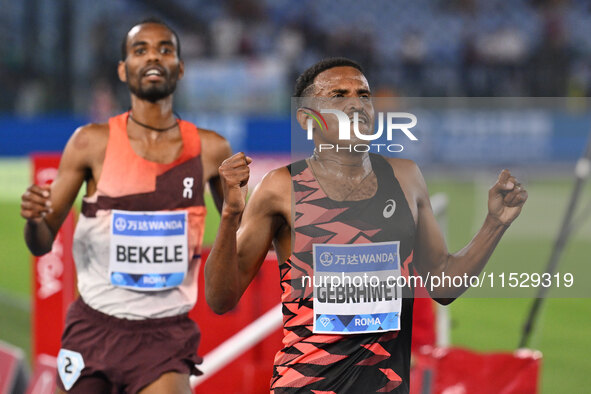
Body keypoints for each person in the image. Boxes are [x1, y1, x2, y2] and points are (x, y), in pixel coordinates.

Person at [204, 57, 528, 393]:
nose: (356, 104)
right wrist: (229, 215)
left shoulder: (406, 178)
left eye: (364, 95)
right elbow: (220, 298)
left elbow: (442, 284)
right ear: (307, 118)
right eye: (338, 96)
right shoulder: (281, 187)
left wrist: (495, 223)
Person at [20, 18, 232, 393]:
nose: (154, 57)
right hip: (93, 328)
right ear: (123, 69)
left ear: (180, 67)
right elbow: (40, 242)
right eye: (140, 50)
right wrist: (35, 220)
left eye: (165, 49)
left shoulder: (211, 150)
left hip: (164, 336)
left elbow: (241, 244)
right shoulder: (90, 142)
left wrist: (241, 212)